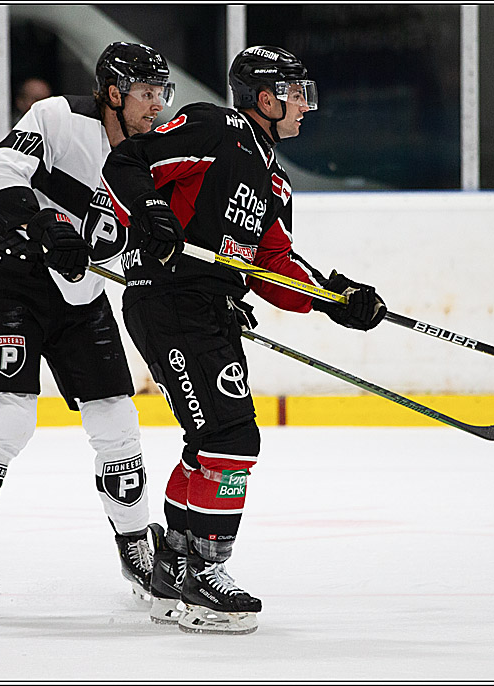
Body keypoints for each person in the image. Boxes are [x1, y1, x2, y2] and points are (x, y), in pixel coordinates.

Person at [101, 46, 387, 635]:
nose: (304, 105)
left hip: (212, 311)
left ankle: (175, 566)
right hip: (171, 299)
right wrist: (152, 212)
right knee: (232, 436)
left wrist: (336, 298)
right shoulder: (215, 126)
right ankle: (205, 576)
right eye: (295, 93)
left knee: (210, 440)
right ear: (264, 98)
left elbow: (273, 265)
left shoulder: (274, 179)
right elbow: (129, 161)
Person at [0, 42, 177, 618]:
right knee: (9, 421)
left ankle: (136, 547)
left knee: (118, 422)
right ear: (112, 93)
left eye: (161, 92)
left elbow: (139, 240)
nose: (156, 104)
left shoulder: (152, 153)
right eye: (145, 93)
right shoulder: (57, 116)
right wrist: (43, 224)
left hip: (80, 296)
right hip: (9, 285)